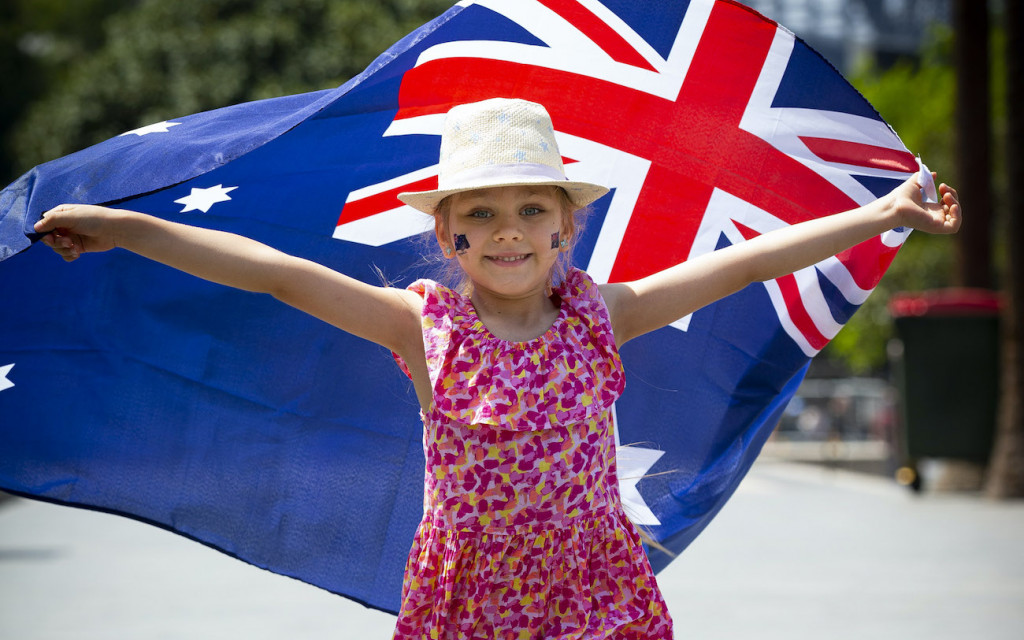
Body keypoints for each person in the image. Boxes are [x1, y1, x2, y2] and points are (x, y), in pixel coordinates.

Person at [33, 98, 961, 639]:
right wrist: (122, 227)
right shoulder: (420, 325)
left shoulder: (605, 315)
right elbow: (273, 274)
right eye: (479, 215)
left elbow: (750, 261)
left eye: (530, 209)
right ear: (446, 235)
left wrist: (882, 215)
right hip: (466, 598)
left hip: (595, 588)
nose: (507, 230)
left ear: (567, 224)